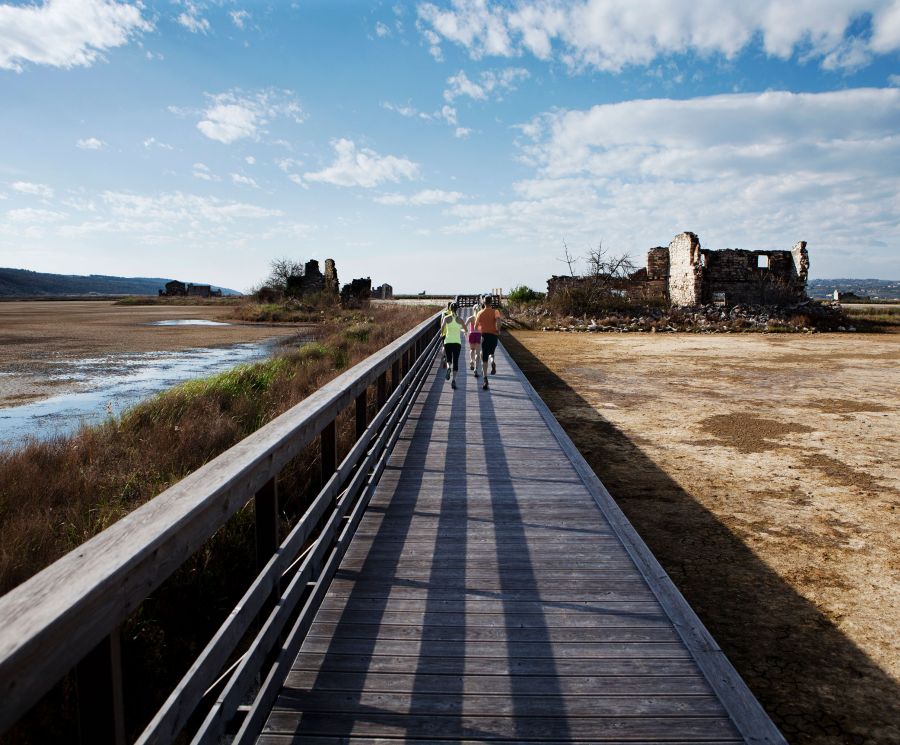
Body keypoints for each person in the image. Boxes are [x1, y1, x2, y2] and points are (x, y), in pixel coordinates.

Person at [474, 295, 502, 390]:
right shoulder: (496, 311)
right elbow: (498, 321)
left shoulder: (480, 313)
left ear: (484, 302)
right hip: (493, 336)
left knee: (484, 357)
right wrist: (498, 330)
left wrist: (480, 329)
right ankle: (493, 361)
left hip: (484, 337)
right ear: (491, 302)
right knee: (492, 353)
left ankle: (485, 378)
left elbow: (475, 326)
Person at [440, 303, 465, 389]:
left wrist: (442, 334)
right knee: (456, 361)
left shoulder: (446, 318)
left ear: (450, 309)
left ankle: (448, 368)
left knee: (449, 359)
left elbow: (442, 328)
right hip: (457, 342)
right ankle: (454, 380)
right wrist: (460, 329)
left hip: (447, 341)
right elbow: (466, 329)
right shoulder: (460, 319)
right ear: (457, 309)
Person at [465, 299, 482, 377]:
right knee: (477, 354)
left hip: (471, 334)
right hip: (478, 335)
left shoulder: (471, 318)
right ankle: (476, 368)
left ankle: (471, 361)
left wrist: (465, 331)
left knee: (472, 350)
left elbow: (464, 326)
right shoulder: (481, 318)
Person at [439, 300, 453, 368]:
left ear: (447, 306)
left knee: (444, 346)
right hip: (451, 333)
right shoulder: (453, 313)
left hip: (444, 332)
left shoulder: (444, 313)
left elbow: (442, 322)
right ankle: (449, 360)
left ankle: (444, 357)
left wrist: (441, 332)